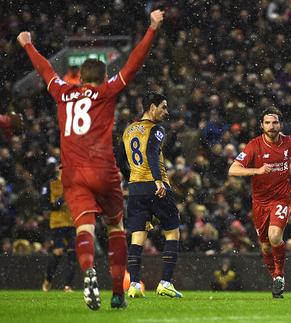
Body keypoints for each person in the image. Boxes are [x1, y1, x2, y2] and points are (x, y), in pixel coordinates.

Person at [17, 9, 165, 310]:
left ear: (79, 77)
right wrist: (151, 28)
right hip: (103, 170)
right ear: (104, 77)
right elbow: (133, 64)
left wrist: (27, 44)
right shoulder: (107, 92)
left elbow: (46, 72)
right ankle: (117, 293)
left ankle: (88, 272)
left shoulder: (62, 92)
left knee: (83, 229)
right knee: (114, 227)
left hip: (72, 172)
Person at [228, 106, 291, 298]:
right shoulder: (254, 145)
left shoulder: (288, 142)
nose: (272, 126)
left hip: (282, 198)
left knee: (275, 236)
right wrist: (258, 171)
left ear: (280, 124)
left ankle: (280, 274)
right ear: (262, 125)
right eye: (268, 123)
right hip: (260, 201)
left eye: (275, 122)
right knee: (264, 245)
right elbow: (233, 170)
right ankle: (276, 280)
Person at [116, 92, 183, 299]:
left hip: (135, 190)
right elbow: (152, 152)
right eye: (163, 106)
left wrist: (131, 178)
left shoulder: (128, 131)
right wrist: (157, 180)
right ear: (151, 107)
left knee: (137, 238)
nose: (166, 111)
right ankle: (165, 283)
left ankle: (134, 284)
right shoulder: (156, 129)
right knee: (172, 232)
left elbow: (119, 160)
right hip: (156, 186)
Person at [41, 163, 77, 292]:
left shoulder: (73, 184)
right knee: (58, 252)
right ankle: (48, 279)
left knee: (73, 254)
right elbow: (47, 205)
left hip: (72, 223)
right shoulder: (50, 185)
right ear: (58, 170)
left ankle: (68, 285)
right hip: (57, 223)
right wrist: (61, 199)